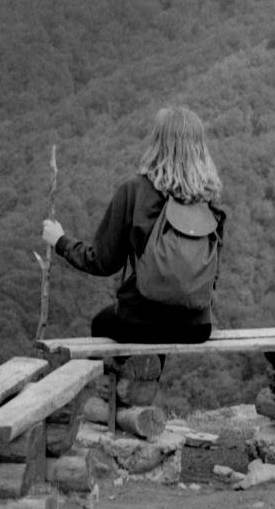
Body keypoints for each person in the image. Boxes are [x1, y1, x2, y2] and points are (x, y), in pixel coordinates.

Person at [42, 105, 227, 351]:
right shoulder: (210, 202)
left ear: (157, 143)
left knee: (101, 323)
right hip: (197, 327)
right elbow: (212, 276)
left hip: (139, 323)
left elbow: (102, 262)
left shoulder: (135, 191)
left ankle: (116, 387)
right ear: (200, 148)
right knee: (161, 332)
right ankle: (143, 384)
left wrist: (61, 241)